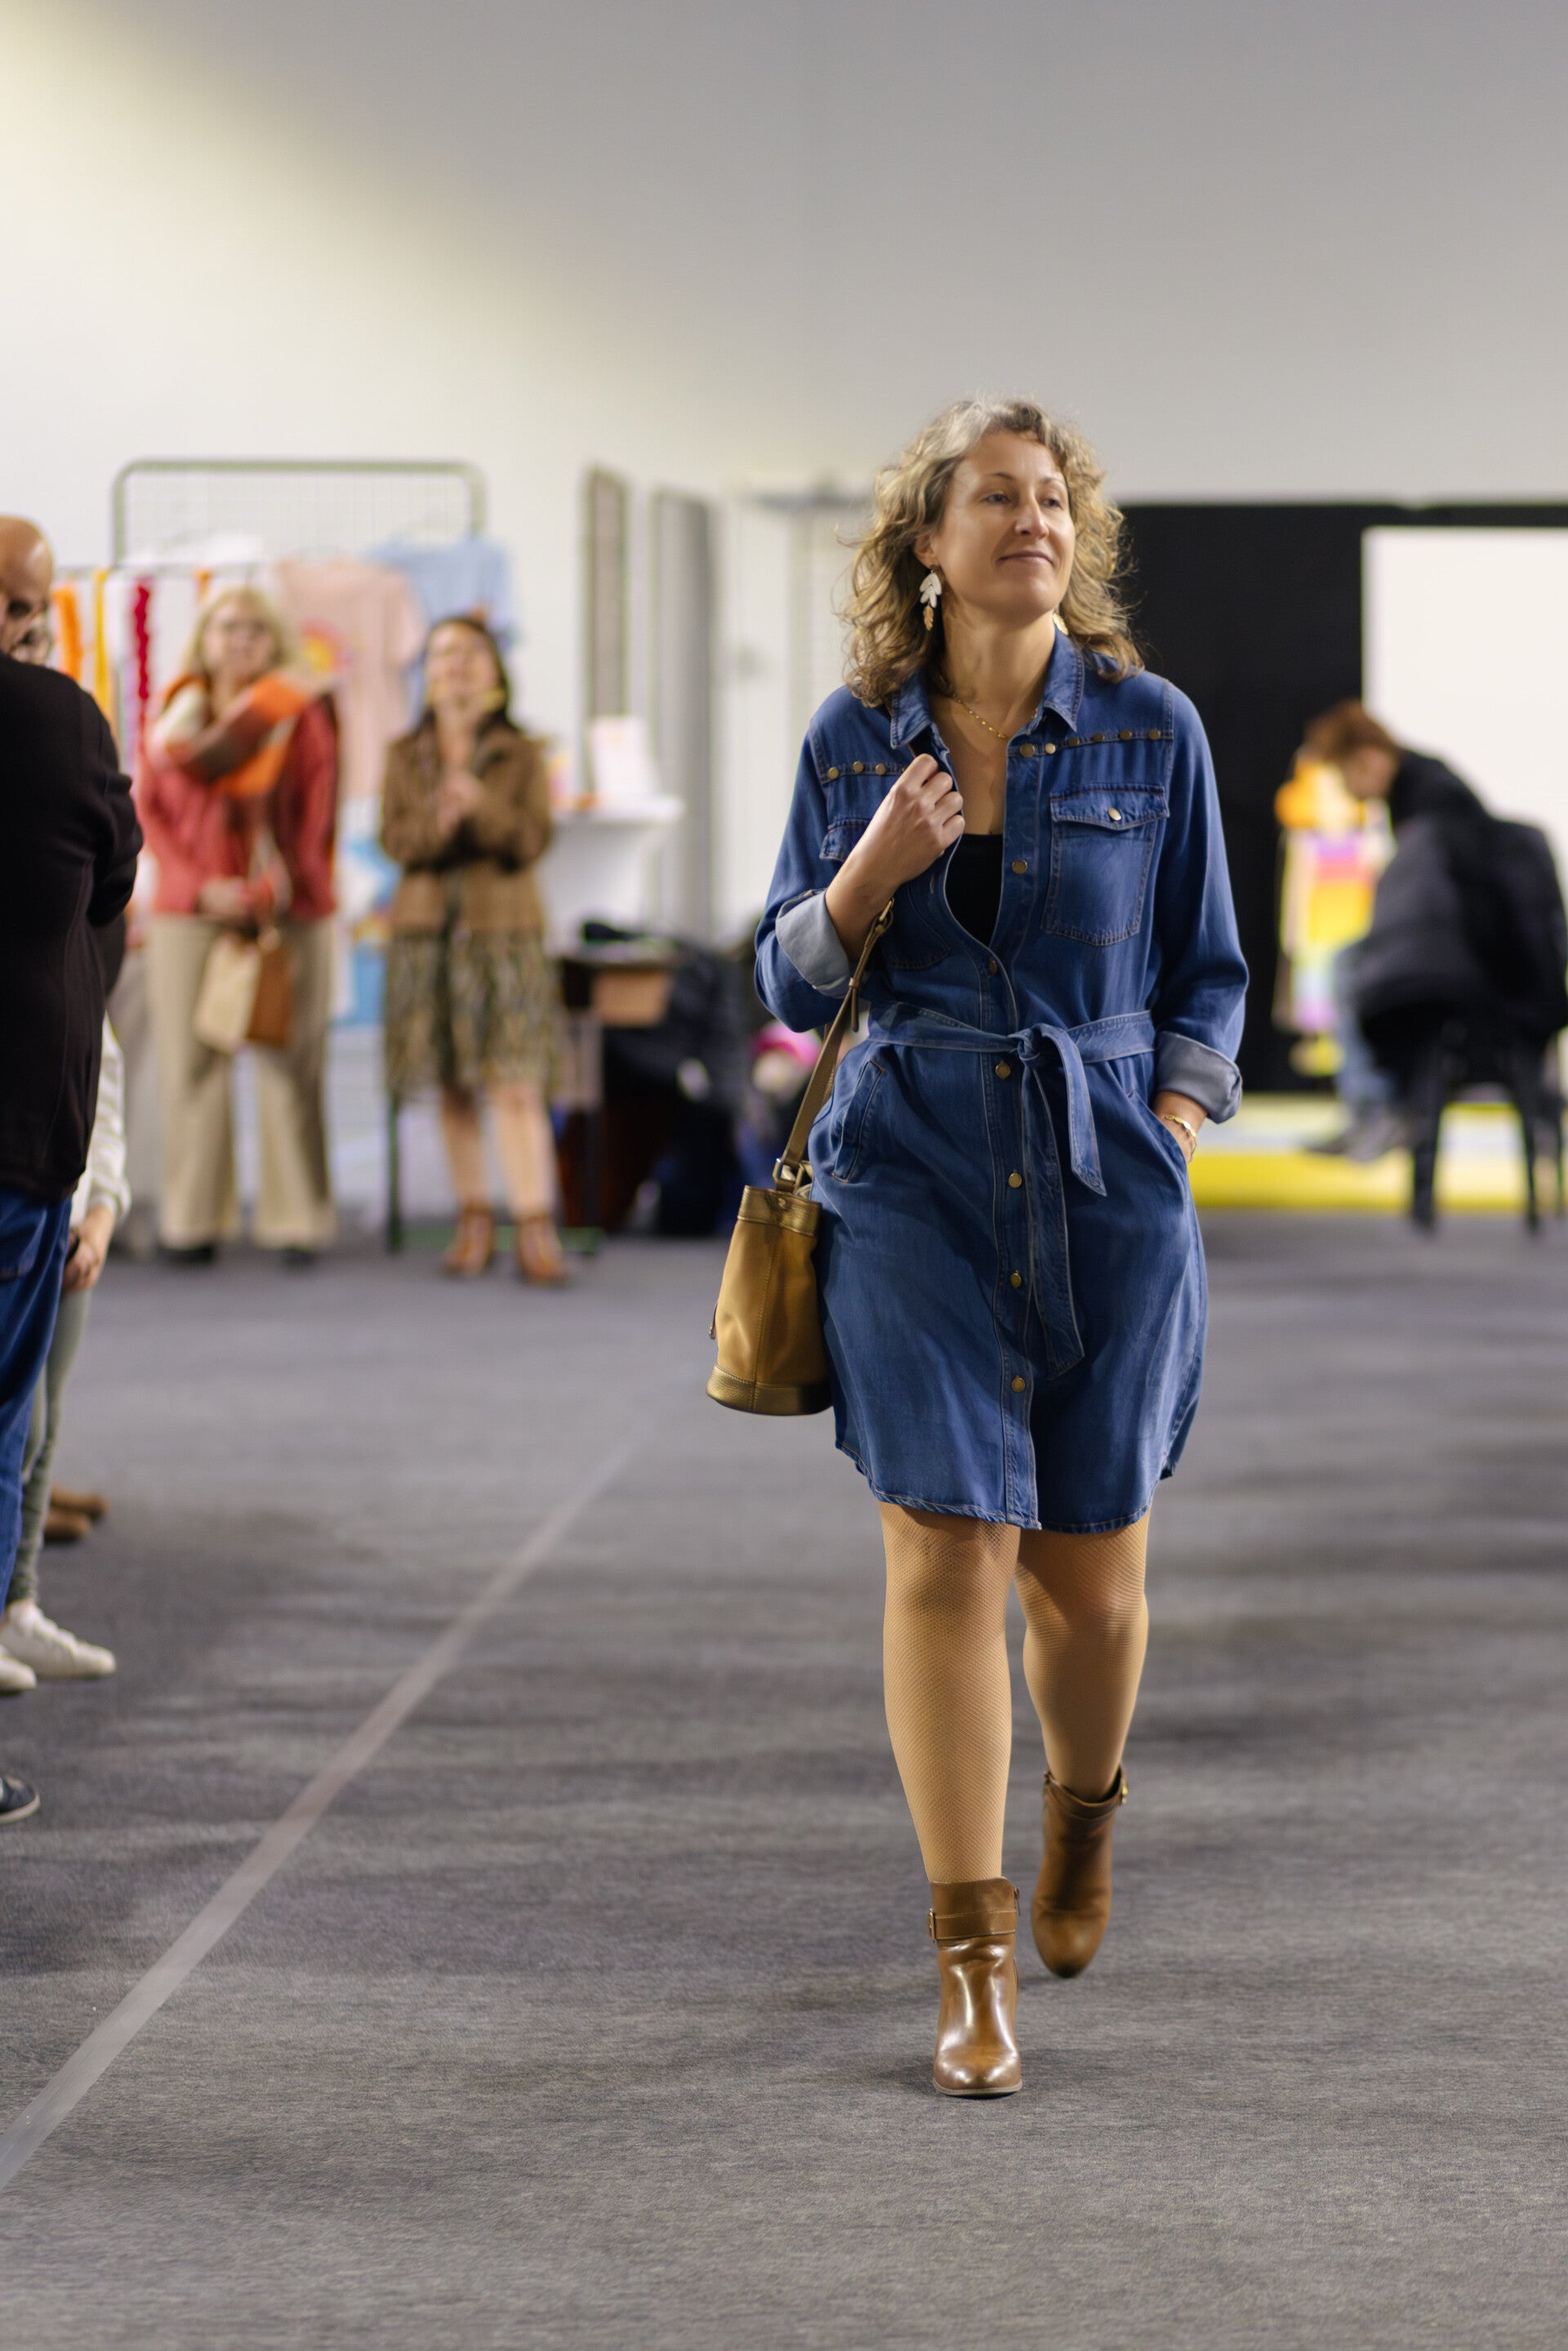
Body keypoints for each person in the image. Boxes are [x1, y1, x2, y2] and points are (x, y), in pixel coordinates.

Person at [754, 400, 1246, 2095]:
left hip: (1109, 1171)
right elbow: (785, 979)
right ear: (930, 540)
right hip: (909, 1168)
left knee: (1089, 1581)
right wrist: (864, 879)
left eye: (1053, 500)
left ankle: (1082, 1816)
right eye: (998, 497)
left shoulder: (1151, 727)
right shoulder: (851, 739)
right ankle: (971, 1963)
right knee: (946, 1549)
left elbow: (1208, 973)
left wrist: (1170, 1126)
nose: (1034, 519)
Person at [0, 516, 140, 1813]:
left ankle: (22, 1600)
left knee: (28, 1415)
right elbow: (109, 896)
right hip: (25, 1132)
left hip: (46, 1137)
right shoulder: (61, 725)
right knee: (11, 1413)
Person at [137, 587, 339, 1264]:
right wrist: (200, 887)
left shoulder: (299, 712)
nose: (240, 640)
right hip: (190, 913)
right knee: (191, 1066)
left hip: (285, 908)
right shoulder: (172, 716)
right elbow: (149, 813)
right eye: (227, 628)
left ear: (276, 640)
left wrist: (275, 885)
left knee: (290, 1063)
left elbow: (316, 808)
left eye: (255, 629)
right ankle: (191, 1223)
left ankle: (298, 1222)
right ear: (204, 638)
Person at [1306, 702, 1568, 1217]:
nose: (1346, 789)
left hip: (1472, 968)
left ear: (1368, 759)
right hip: (1480, 963)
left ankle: (1378, 1107)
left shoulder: (1428, 801)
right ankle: (1381, 1107)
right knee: (1357, 965)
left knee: (1347, 966)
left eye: (1342, 774)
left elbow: (1437, 909)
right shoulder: (1424, 794)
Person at [380, 613, 567, 1283]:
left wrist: (481, 805)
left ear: (495, 670)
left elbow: (530, 841)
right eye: (442, 653)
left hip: (504, 935)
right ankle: (474, 1220)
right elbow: (397, 842)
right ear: (426, 671)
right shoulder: (404, 753)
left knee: (515, 1082)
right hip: (426, 935)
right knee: (452, 1082)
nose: (455, 664)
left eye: (469, 652)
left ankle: (536, 1226)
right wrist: (442, 817)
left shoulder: (522, 752)